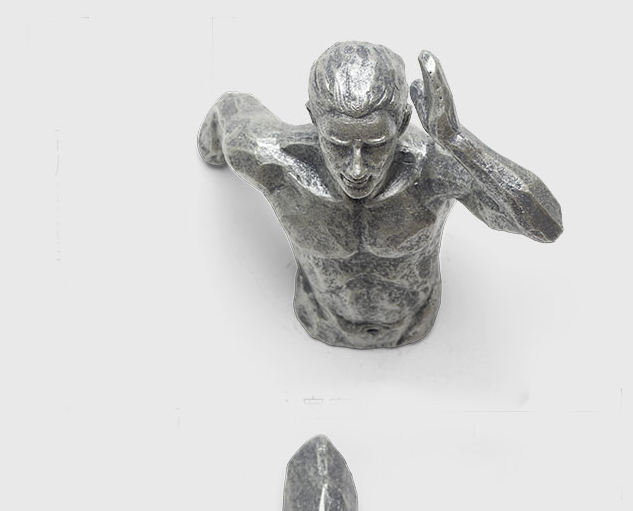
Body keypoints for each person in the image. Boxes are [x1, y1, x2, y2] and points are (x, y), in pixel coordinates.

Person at [198, 42, 563, 349]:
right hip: (320, 320)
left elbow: (546, 225)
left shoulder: (433, 169)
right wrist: (209, 148)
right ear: (313, 120)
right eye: (338, 145)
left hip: (415, 323)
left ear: (402, 124)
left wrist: (456, 139)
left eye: (375, 146)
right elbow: (230, 109)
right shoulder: (276, 162)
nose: (357, 169)